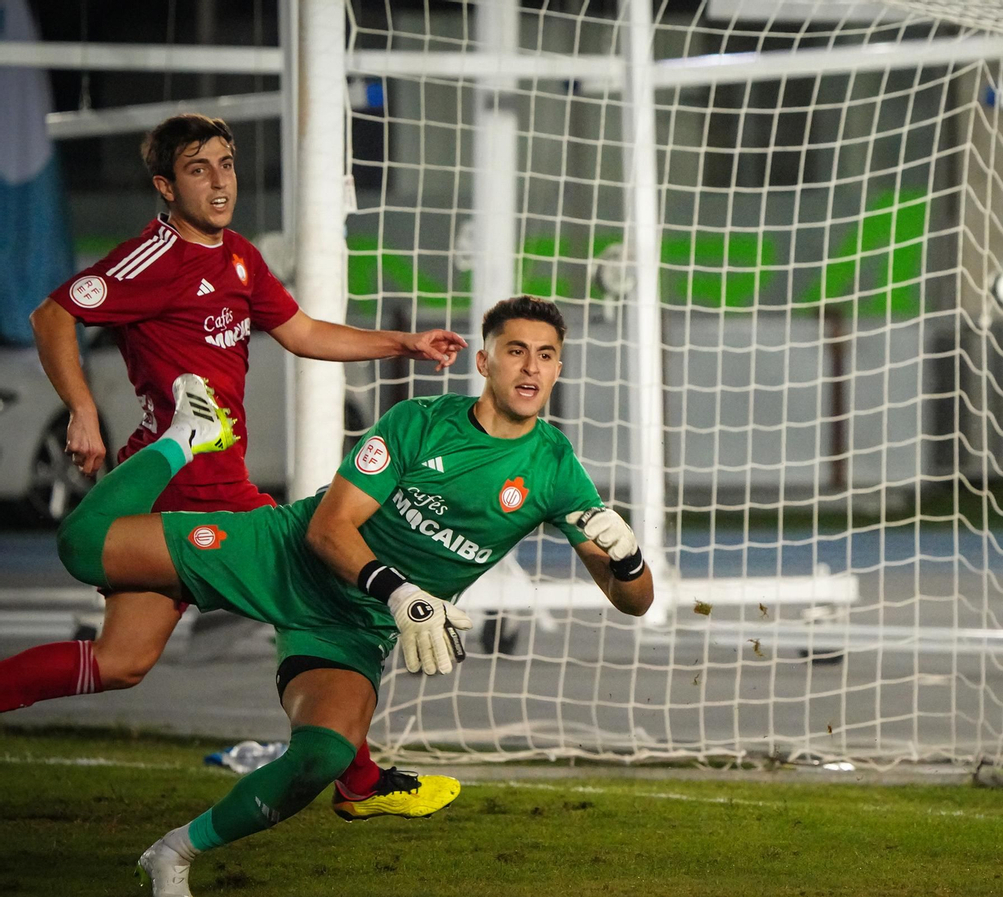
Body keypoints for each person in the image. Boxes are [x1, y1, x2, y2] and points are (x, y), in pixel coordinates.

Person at [46, 296, 652, 895]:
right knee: (82, 547)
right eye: (515, 351)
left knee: (322, 756)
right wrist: (400, 593)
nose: (530, 368)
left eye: (546, 356)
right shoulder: (417, 424)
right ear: (485, 362)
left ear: (560, 369)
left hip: (350, 628)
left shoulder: (555, 470)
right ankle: (185, 436)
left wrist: (627, 557)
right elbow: (328, 529)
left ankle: (173, 852)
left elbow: (635, 602)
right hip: (282, 557)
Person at [0, 113, 469, 820]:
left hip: (226, 493)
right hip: (169, 499)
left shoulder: (241, 258)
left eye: (226, 163)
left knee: (122, 662)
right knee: (326, 592)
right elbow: (51, 316)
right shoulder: (151, 259)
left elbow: (302, 330)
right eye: (199, 168)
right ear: (165, 185)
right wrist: (82, 408)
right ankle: (359, 777)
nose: (220, 181)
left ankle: (356, 773)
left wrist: (402, 342)